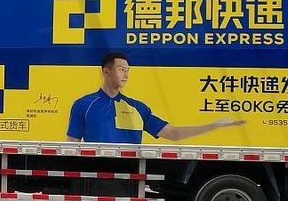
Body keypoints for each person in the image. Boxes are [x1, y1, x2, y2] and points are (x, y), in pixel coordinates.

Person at [66, 51, 245, 145]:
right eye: (121, 70)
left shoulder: (138, 108)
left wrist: (213, 126)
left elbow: (173, 134)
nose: (126, 75)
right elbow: (72, 144)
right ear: (106, 71)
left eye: (128, 71)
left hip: (130, 172)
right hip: (96, 173)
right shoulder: (84, 105)